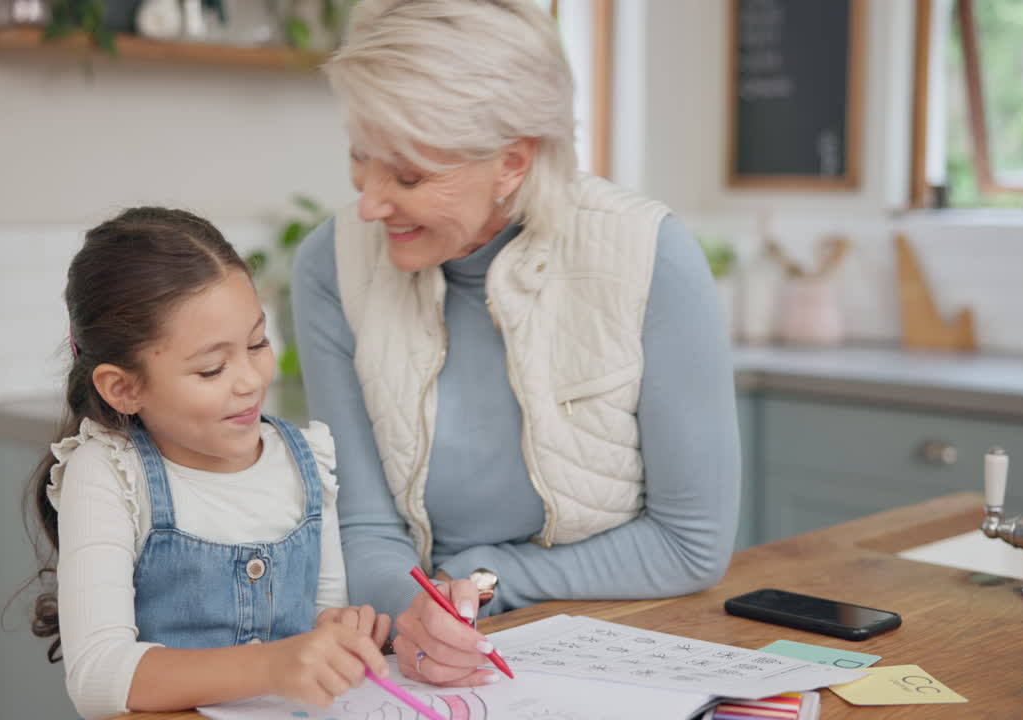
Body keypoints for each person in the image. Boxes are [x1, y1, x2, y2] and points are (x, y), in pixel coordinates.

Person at [290, 0, 741, 690]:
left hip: (623, 644)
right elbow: (363, 528)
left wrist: (472, 583)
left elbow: (690, 545)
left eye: (408, 175)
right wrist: (425, 612)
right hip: (427, 653)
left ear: (512, 161)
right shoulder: (331, 266)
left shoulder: (648, 256)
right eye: (360, 156)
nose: (370, 203)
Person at [26, 207, 390, 720]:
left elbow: (320, 621)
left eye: (257, 342)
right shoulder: (110, 473)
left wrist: (342, 635)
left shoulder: (305, 457)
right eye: (212, 368)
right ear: (124, 387)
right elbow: (98, 676)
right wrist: (271, 665)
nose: (250, 379)